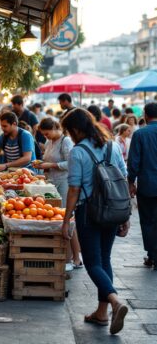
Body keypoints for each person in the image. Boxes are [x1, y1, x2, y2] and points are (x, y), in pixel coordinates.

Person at [61, 108, 129, 335]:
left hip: (88, 213)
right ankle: (101, 314)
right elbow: (123, 177)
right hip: (112, 209)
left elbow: (74, 189)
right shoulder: (112, 145)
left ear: (77, 130)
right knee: (105, 259)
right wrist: (125, 215)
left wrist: (66, 219)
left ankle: (114, 301)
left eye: (69, 131)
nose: (70, 136)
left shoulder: (78, 152)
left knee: (92, 263)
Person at [33, 117, 82, 270]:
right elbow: (47, 159)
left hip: (65, 183)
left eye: (47, 134)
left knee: (67, 218)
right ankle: (66, 256)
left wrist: (51, 165)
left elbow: (71, 163)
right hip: (52, 184)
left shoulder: (65, 141)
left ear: (55, 128)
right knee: (59, 218)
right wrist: (41, 164)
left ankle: (75, 258)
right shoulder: (49, 142)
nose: (45, 137)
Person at [127, 102, 157, 269]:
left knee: (147, 221)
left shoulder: (140, 134)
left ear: (145, 115)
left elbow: (134, 162)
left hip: (147, 185)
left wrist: (131, 181)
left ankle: (152, 254)